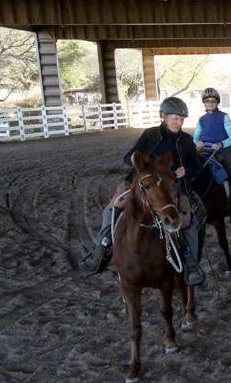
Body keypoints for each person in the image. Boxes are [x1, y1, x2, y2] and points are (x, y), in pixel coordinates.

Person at [79, 97, 206, 285]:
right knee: (112, 209)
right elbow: (128, 157)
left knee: (188, 219)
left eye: (181, 119)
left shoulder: (186, 141)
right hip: (142, 184)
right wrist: (135, 160)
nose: (179, 123)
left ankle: (191, 261)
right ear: (164, 116)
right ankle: (101, 248)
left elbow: (197, 167)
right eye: (175, 118)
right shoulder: (150, 135)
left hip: (172, 187)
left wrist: (186, 170)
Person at [192, 87, 231, 217]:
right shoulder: (201, 120)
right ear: (204, 103)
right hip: (205, 150)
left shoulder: (224, 117)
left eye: (213, 101)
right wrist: (197, 143)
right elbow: (195, 137)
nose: (210, 103)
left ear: (217, 103)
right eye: (208, 101)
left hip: (222, 150)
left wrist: (221, 144)